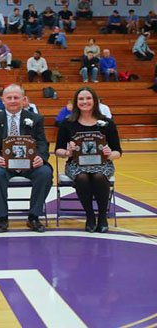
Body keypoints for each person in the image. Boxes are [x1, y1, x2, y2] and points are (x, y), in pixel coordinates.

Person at [0, 84, 52, 233]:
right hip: (4, 164)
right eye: (9, 98)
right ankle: (2, 217)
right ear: (2, 100)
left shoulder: (36, 119)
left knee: (45, 173)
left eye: (16, 97)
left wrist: (40, 156)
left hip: (30, 163)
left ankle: (34, 216)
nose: (13, 101)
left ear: (23, 99)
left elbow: (42, 143)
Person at [55, 87, 122, 233]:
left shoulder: (107, 123)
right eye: (81, 99)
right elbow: (58, 151)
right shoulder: (67, 123)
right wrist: (68, 152)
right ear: (76, 102)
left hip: (103, 163)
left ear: (95, 101)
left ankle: (102, 217)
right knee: (82, 177)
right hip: (75, 164)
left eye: (88, 98)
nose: (84, 102)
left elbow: (118, 151)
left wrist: (109, 154)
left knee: (98, 176)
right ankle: (90, 216)